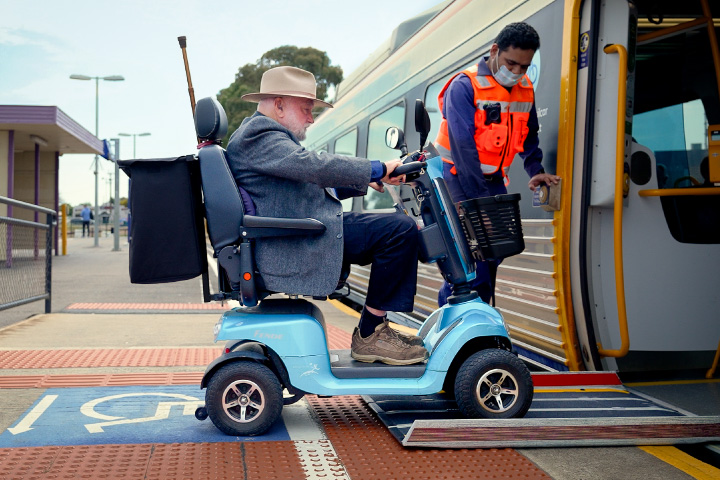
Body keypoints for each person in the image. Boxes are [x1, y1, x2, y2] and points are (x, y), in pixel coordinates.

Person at [226, 66, 428, 365]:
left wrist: (374, 179)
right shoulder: (258, 135)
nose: (311, 118)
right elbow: (313, 166)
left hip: (295, 232)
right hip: (293, 242)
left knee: (393, 228)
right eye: (307, 109)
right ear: (279, 105)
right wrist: (377, 168)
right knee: (399, 230)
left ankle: (374, 331)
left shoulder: (261, 137)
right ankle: (372, 335)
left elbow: (304, 186)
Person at [434, 22, 560, 306]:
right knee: (471, 257)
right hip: (456, 178)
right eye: (510, 63)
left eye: (524, 67)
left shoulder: (524, 89)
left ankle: (480, 319)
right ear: (494, 51)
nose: (516, 73)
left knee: (493, 253)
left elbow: (529, 136)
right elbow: (464, 150)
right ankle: (454, 321)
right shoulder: (464, 86)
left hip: (491, 181)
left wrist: (535, 171)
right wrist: (482, 209)